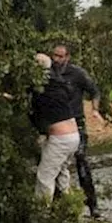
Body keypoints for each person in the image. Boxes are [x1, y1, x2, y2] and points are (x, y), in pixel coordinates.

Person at [50, 43, 102, 217]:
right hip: (57, 124)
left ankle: (92, 203)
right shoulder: (48, 73)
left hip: (76, 123)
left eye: (60, 56)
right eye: (54, 56)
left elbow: (94, 91)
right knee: (55, 164)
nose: (56, 60)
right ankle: (59, 205)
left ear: (67, 57)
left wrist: (95, 110)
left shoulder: (77, 74)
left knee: (81, 160)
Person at [29, 53, 81, 203]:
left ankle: (41, 218)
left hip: (61, 139)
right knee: (62, 173)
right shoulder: (57, 82)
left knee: (45, 177)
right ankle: (69, 208)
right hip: (73, 136)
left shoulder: (41, 86)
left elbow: (24, 101)